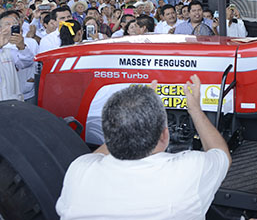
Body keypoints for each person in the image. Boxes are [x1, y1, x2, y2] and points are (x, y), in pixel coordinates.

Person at [55, 74, 231, 219]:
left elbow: (103, 150)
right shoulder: (190, 170)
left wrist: (130, 115)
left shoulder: (79, 172)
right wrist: (194, 109)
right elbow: (221, 153)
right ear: (165, 135)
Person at [0, 10, 36, 101]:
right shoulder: (4, 46)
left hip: (14, 97)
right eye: (8, 24)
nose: (12, 26)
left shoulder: (15, 48)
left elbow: (25, 63)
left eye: (15, 23)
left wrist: (21, 47)